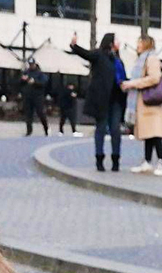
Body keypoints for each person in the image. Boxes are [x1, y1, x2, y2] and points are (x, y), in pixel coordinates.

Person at [70, 32, 126, 172]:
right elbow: (86, 54)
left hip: (116, 100)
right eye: (117, 39)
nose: (119, 42)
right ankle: (99, 158)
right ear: (110, 42)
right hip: (102, 100)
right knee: (101, 128)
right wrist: (74, 45)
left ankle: (115, 159)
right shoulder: (99, 55)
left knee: (115, 130)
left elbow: (122, 77)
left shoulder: (118, 60)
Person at [121, 35, 162, 176]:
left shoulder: (152, 58)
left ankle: (160, 161)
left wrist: (132, 83)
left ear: (146, 44)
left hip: (151, 101)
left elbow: (154, 78)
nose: (137, 45)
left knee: (155, 133)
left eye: (139, 42)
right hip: (144, 101)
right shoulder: (142, 59)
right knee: (148, 133)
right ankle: (147, 161)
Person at [20, 57, 49, 137]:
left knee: (40, 113)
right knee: (28, 114)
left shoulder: (40, 73)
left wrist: (35, 82)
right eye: (30, 64)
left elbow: (43, 83)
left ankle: (46, 128)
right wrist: (23, 80)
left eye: (32, 64)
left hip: (38, 96)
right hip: (28, 96)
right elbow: (20, 83)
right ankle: (29, 131)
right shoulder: (26, 72)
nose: (31, 66)